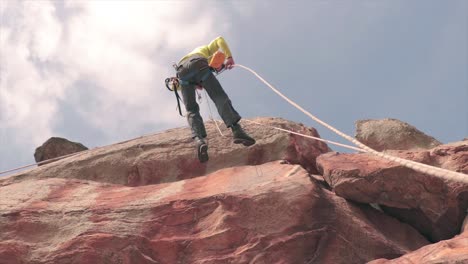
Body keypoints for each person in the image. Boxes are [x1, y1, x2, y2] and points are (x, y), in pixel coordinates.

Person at [175, 36, 255, 163]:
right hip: (198, 63)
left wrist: (194, 83)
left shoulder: (186, 59)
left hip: (181, 72)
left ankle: (199, 140)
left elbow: (180, 86)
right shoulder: (206, 49)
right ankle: (236, 130)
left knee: (191, 109)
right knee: (218, 97)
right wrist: (229, 57)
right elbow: (219, 39)